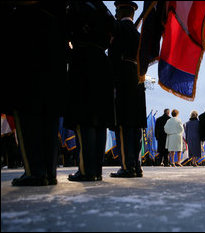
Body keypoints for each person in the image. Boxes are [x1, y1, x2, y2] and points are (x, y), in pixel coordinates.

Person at [3, 2, 67, 186]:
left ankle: (35, 171)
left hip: (24, 36)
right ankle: (49, 171)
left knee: (26, 106)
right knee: (50, 111)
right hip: (54, 46)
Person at [66, 1, 115, 182]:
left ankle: (86, 170)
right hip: (102, 62)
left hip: (82, 59)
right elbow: (113, 33)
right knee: (99, 121)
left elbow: (67, 29)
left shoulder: (77, 6)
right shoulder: (103, 9)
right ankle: (97, 170)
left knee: (84, 118)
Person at [108, 1, 147, 178]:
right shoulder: (139, 35)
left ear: (119, 12)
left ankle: (127, 166)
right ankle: (137, 166)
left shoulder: (117, 30)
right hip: (138, 81)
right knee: (136, 126)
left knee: (124, 125)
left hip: (122, 79)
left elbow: (113, 57)